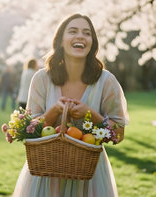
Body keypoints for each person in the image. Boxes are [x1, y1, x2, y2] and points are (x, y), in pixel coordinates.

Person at [13, 14, 129, 197]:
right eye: (73, 31)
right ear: (60, 41)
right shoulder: (41, 79)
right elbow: (29, 130)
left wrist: (90, 114)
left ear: (93, 43)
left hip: (90, 179)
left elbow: (119, 133)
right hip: (45, 176)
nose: (80, 36)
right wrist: (54, 112)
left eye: (87, 33)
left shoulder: (106, 81)